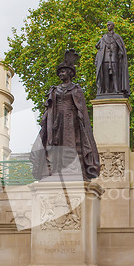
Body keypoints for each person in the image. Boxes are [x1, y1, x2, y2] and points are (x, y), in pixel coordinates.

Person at [30, 49, 100, 181]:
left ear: (70, 73)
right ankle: (57, 169)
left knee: (71, 142)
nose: (61, 74)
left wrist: (80, 120)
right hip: (56, 120)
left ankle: (73, 169)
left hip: (71, 120)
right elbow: (49, 107)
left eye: (63, 72)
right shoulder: (55, 89)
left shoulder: (76, 89)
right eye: (60, 72)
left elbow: (81, 108)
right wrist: (46, 120)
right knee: (56, 143)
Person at [95, 21, 130, 97]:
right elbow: (97, 46)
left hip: (114, 59)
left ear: (113, 26)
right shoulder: (104, 37)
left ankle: (117, 89)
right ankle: (106, 90)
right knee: (106, 75)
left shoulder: (117, 37)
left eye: (109, 25)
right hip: (105, 59)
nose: (108, 26)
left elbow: (121, 48)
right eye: (107, 25)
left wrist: (121, 52)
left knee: (115, 74)